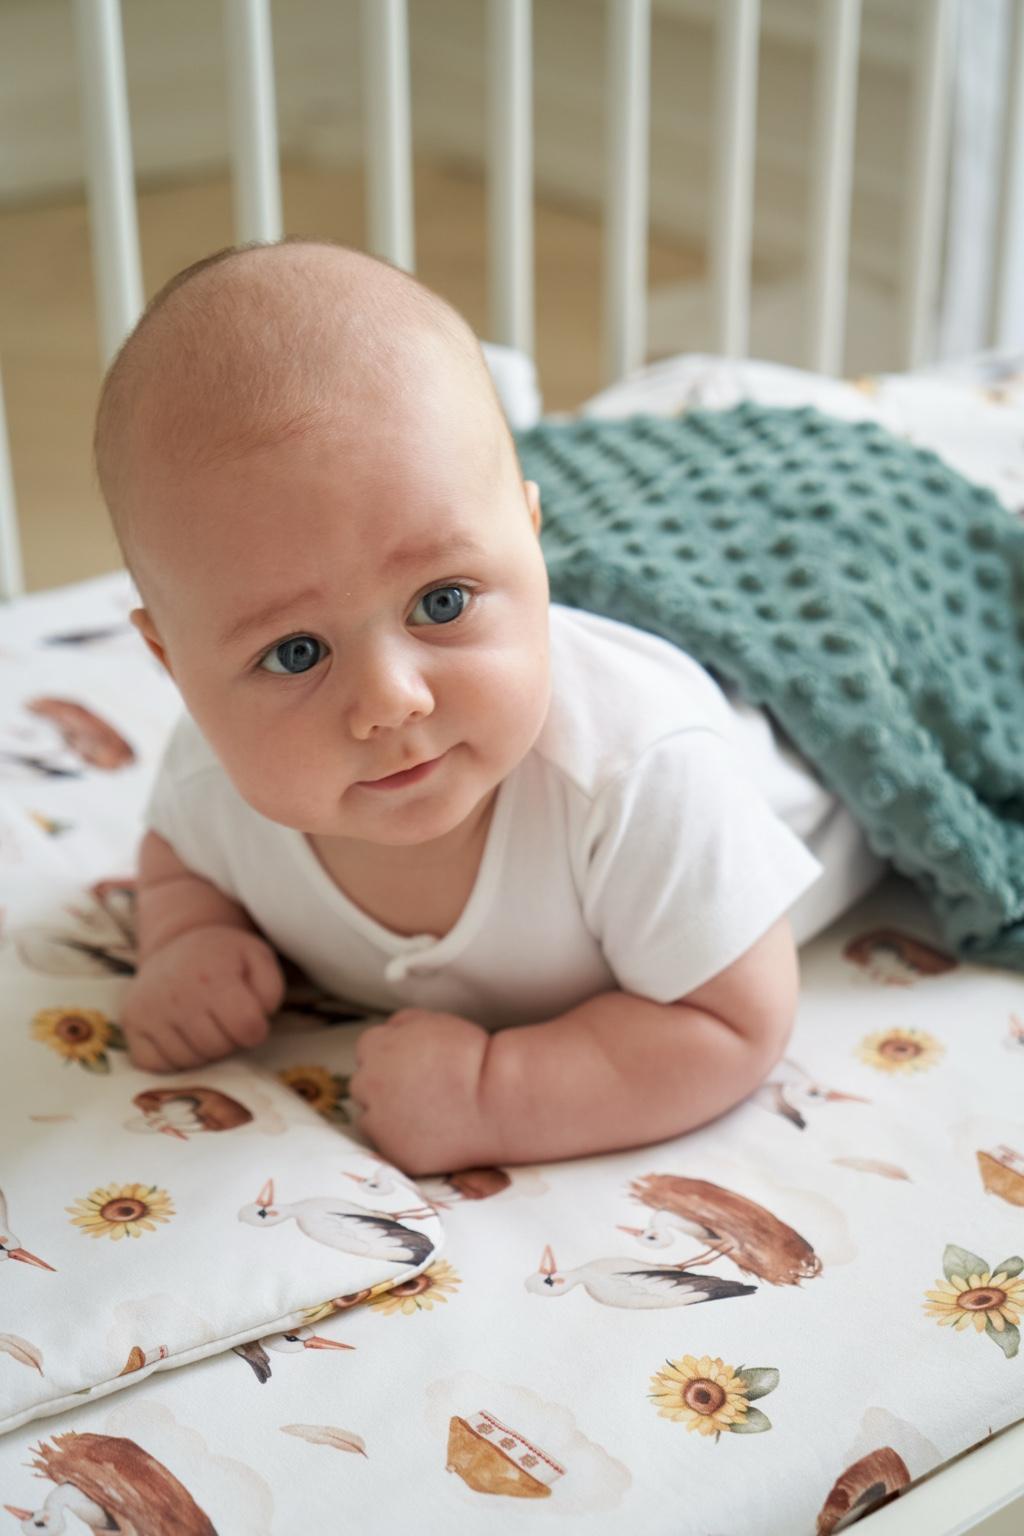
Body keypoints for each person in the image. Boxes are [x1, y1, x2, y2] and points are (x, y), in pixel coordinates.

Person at [95, 238, 884, 1176]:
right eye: (294, 653)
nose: (391, 700)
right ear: (171, 663)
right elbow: (179, 855)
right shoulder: (210, 777)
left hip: (786, 732)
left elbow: (732, 1020)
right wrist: (190, 935)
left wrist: (498, 1094)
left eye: (443, 600)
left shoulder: (637, 771)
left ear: (532, 535)